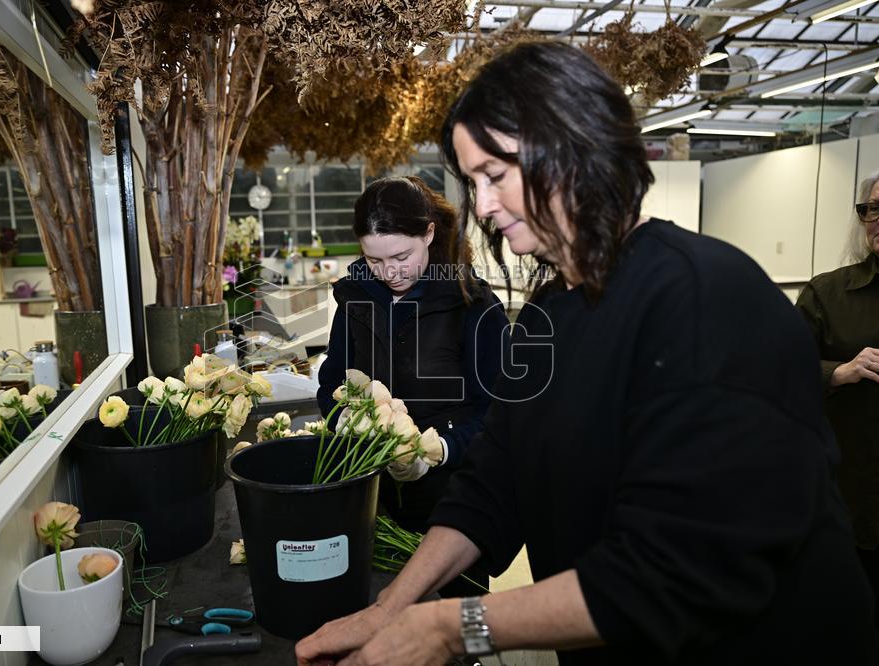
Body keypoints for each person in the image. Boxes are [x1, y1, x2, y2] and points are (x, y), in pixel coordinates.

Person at [296, 42, 877, 666]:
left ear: (572, 152)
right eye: (474, 183)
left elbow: (679, 570)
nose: (482, 205)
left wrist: (450, 627)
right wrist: (391, 607)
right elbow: (495, 479)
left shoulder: (708, 299)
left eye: (495, 176)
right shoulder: (549, 313)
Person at [315, 175, 511, 595]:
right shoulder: (356, 299)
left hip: (452, 507)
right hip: (372, 497)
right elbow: (332, 378)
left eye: (401, 256)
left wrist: (441, 448)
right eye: (374, 259)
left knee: (449, 615)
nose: (390, 272)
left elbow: (501, 413)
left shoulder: (473, 306)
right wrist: (343, 418)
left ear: (429, 234)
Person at [795, 173, 879, 622]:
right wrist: (837, 372)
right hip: (848, 503)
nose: (878, 219)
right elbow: (776, 372)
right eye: (873, 209)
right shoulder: (826, 294)